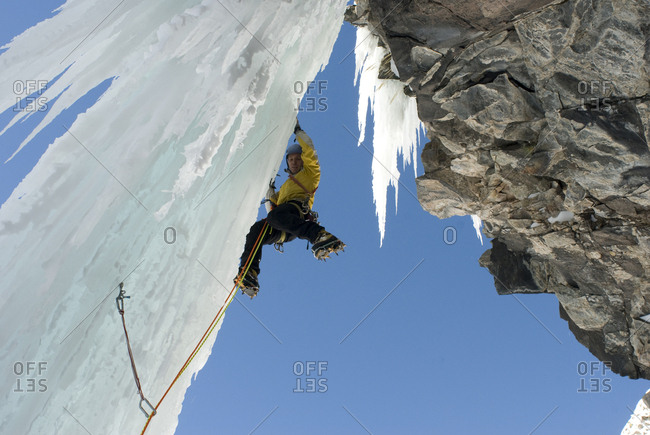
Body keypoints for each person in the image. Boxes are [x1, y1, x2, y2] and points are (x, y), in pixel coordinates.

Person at [234, 120, 344, 298]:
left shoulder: (311, 174)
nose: (293, 162)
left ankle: (319, 235)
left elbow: (310, 152)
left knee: (276, 216)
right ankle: (249, 273)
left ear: (302, 161)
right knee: (256, 230)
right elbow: (272, 208)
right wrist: (269, 190)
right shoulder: (286, 186)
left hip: (295, 213)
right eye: (290, 160)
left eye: (297, 159)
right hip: (283, 224)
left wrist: (299, 132)